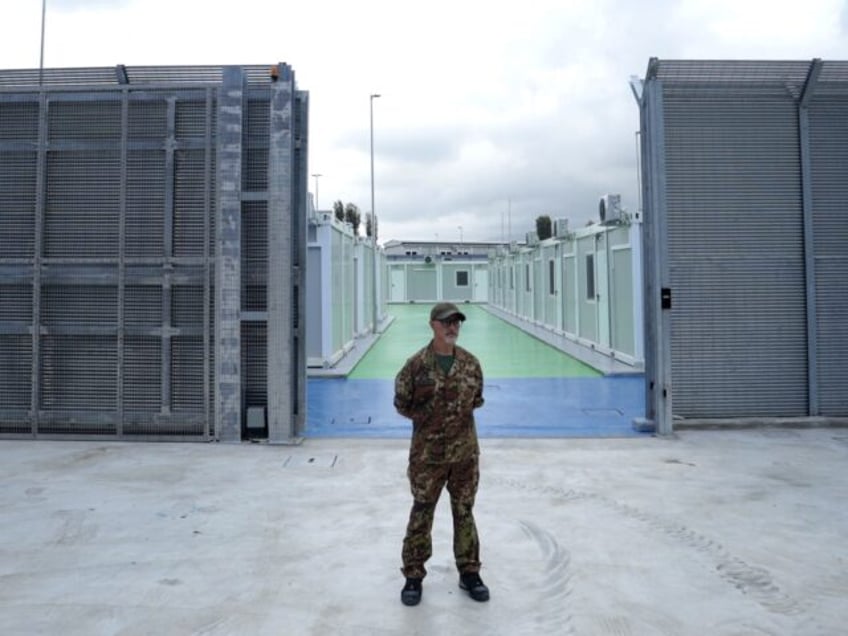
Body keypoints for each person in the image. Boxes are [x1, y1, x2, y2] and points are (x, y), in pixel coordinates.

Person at [393, 302, 489, 606]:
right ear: (433, 325)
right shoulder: (415, 366)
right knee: (422, 511)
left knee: (464, 512)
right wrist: (431, 424)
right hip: (427, 456)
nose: (453, 327)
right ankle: (413, 576)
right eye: (447, 322)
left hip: (464, 456)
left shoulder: (471, 364)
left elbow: (476, 400)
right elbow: (402, 403)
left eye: (457, 322)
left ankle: (469, 573)